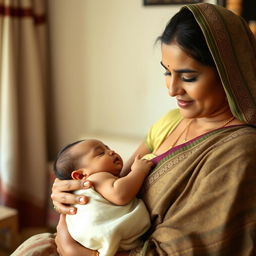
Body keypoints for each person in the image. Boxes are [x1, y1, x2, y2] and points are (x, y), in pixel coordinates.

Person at [11, 2, 256, 256]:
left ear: (230, 74)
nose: (172, 89)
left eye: (188, 77)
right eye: (167, 72)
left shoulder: (240, 152)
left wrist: (79, 253)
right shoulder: (172, 120)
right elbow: (116, 181)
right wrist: (67, 192)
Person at [53, 139, 152, 256]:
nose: (111, 152)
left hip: (87, 241)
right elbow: (120, 194)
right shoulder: (97, 178)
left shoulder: (84, 188)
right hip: (106, 233)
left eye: (108, 148)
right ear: (81, 175)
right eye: (100, 153)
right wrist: (139, 171)